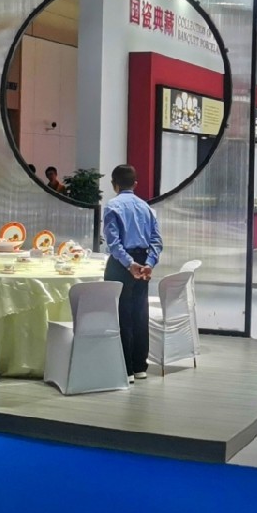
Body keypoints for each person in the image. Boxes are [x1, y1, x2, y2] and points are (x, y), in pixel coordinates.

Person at [101, 164, 162, 382]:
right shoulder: (146, 207)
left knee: (122, 315)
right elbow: (156, 240)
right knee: (140, 313)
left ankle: (125, 369)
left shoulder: (112, 206)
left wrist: (129, 264)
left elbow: (113, 243)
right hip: (143, 262)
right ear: (135, 184)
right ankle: (139, 367)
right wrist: (149, 263)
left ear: (114, 184)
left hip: (121, 265)